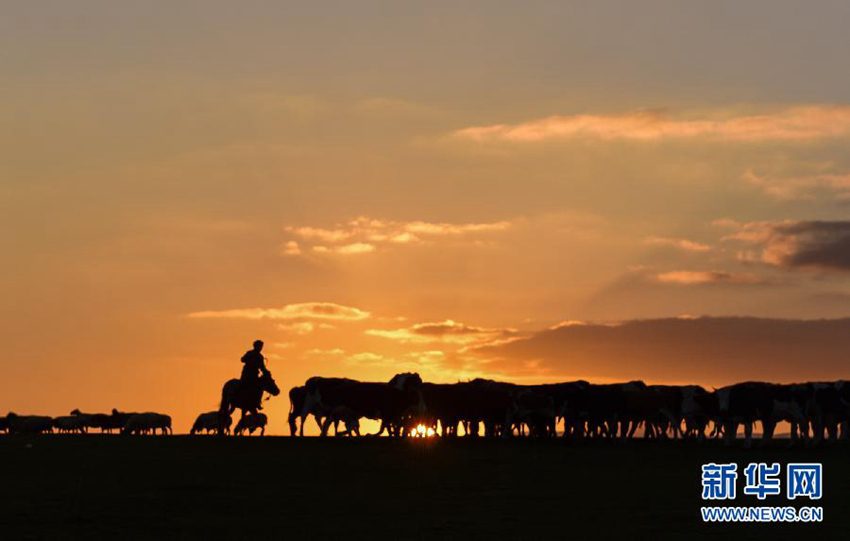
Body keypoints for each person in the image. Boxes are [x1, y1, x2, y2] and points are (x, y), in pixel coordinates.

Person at [240, 340, 269, 409]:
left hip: (254, 374)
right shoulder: (249, 353)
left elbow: (262, 367)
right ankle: (239, 398)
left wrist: (266, 372)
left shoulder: (260, 356)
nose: (260, 348)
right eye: (259, 346)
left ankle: (258, 402)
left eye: (261, 346)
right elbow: (242, 359)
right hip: (247, 374)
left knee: (260, 387)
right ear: (255, 346)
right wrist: (249, 359)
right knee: (243, 385)